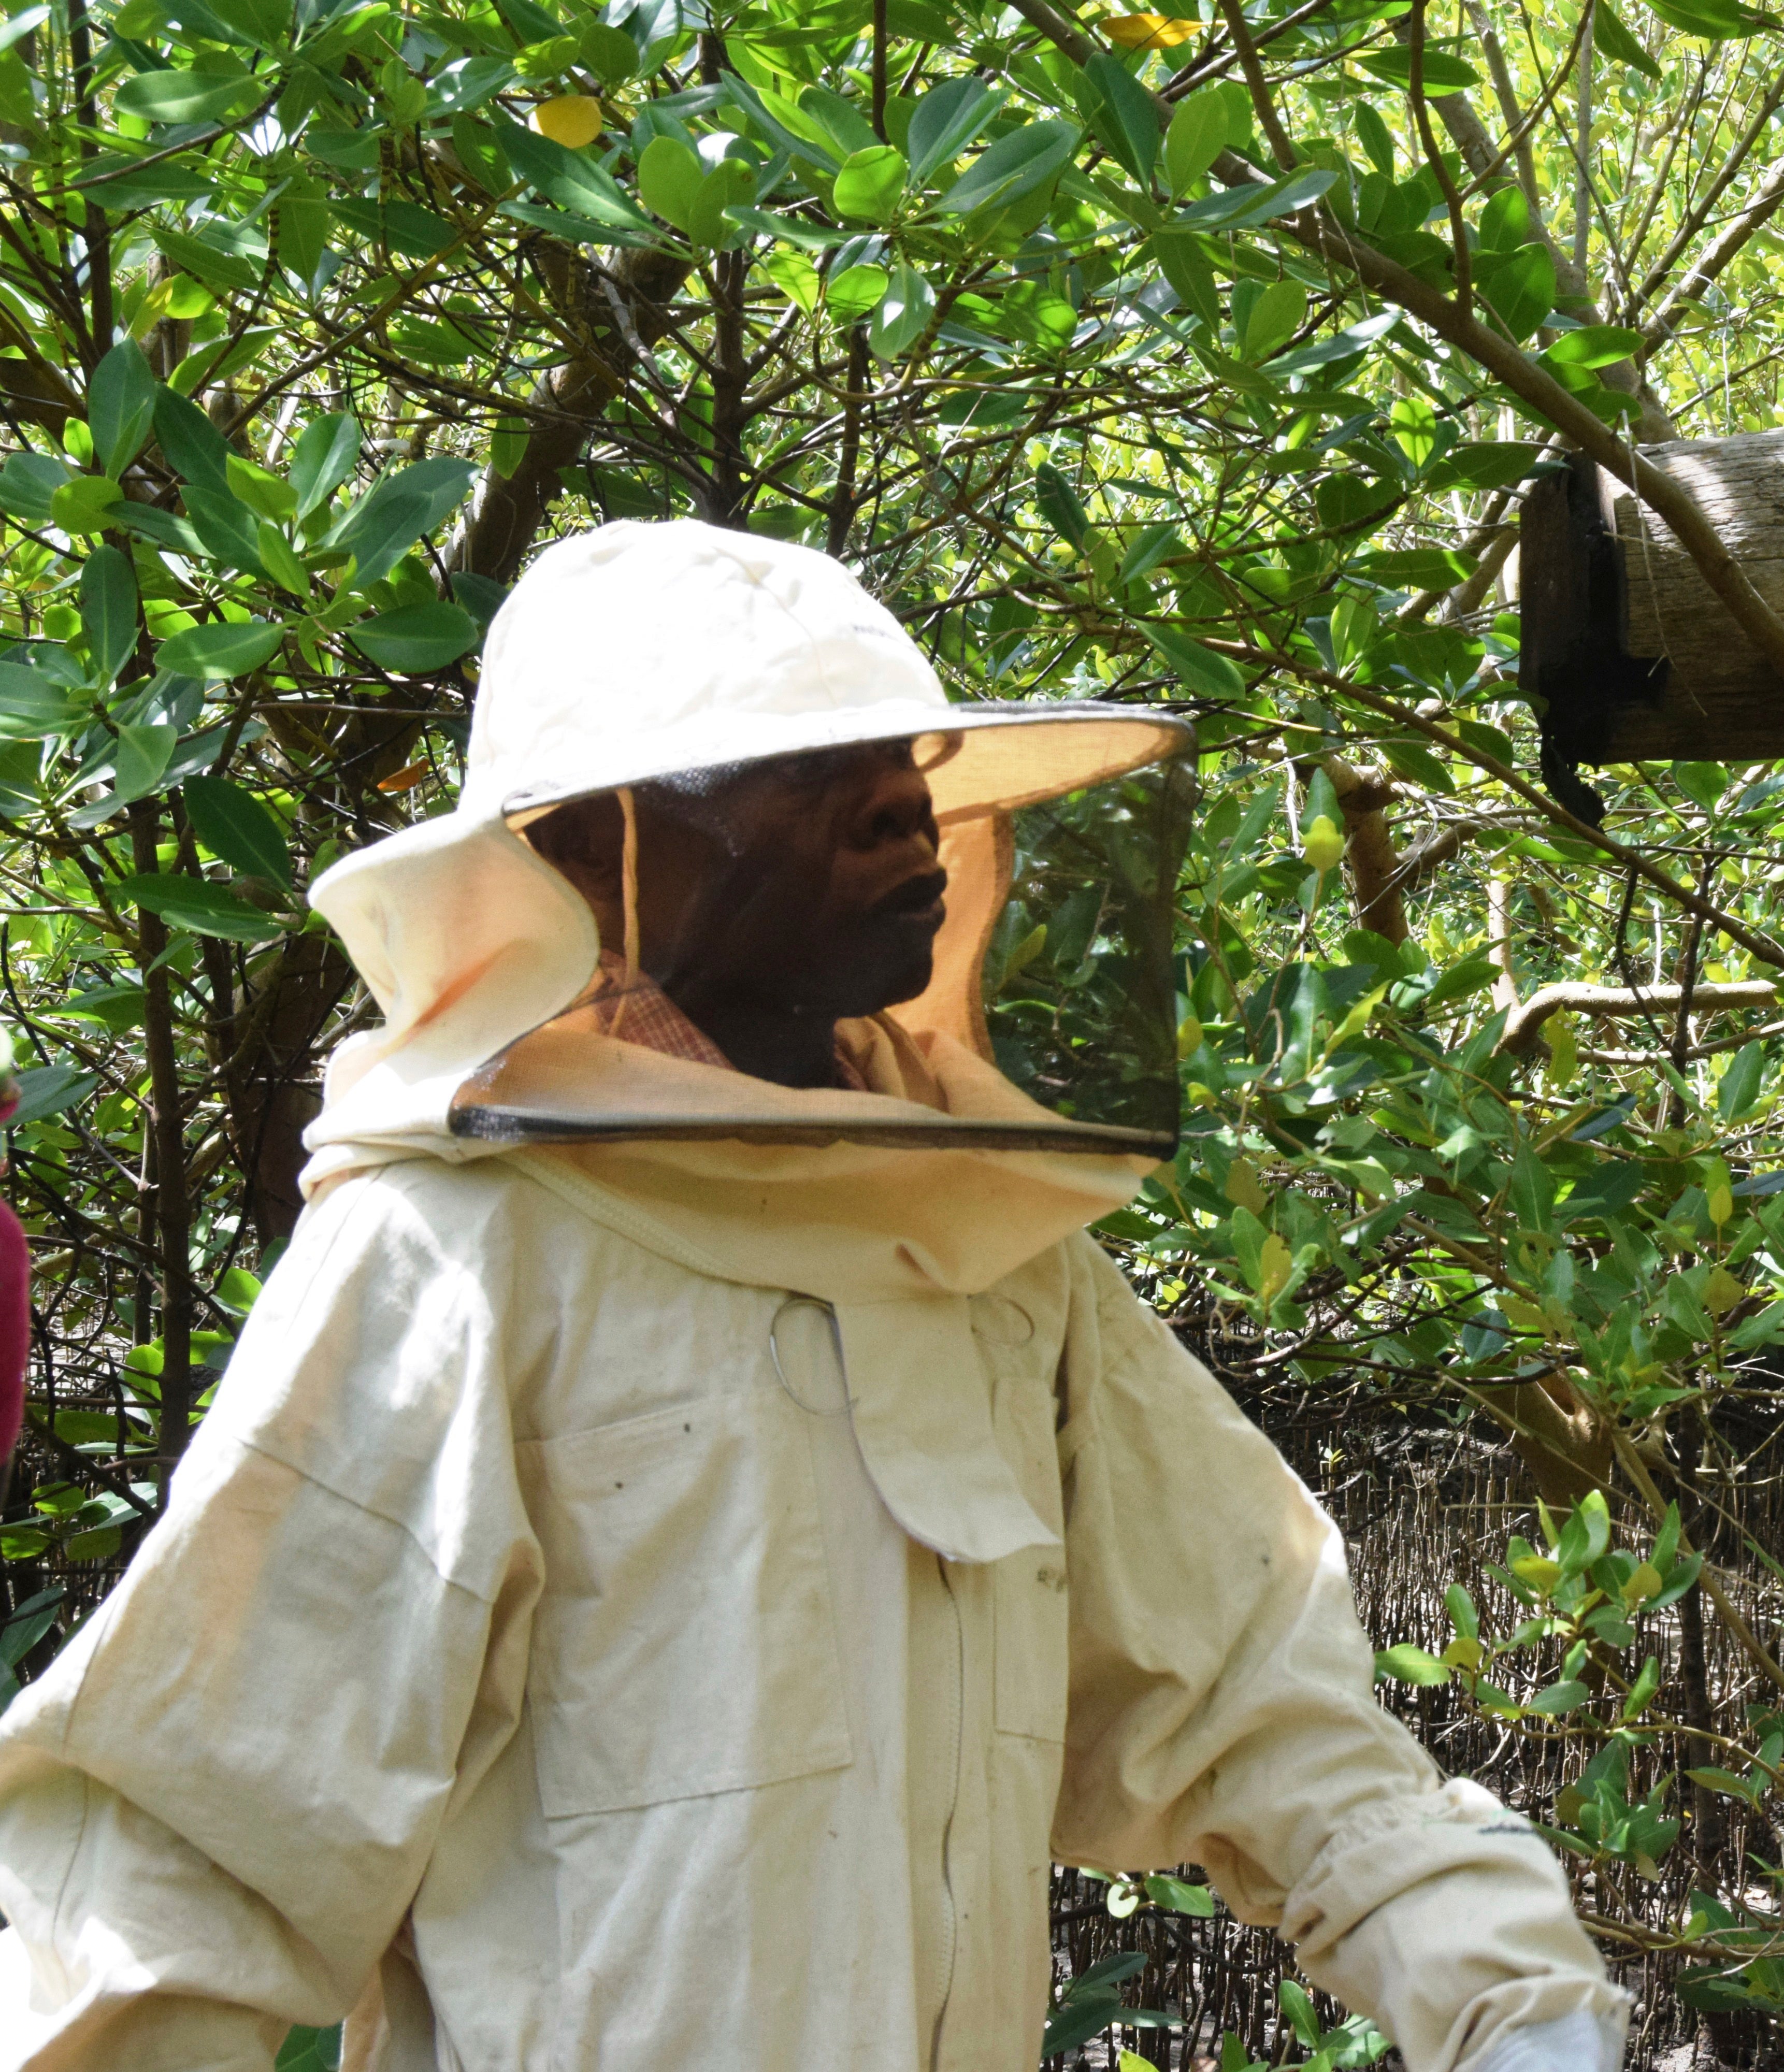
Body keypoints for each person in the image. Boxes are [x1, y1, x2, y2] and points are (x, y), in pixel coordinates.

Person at [0, 521, 1627, 2072]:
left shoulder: (984, 1245)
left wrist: (1503, 1994)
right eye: (800, 772)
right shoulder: (454, 1253)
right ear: (589, 846)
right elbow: (188, 1855)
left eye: (903, 767)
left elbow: (1254, 1697)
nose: (897, 815)